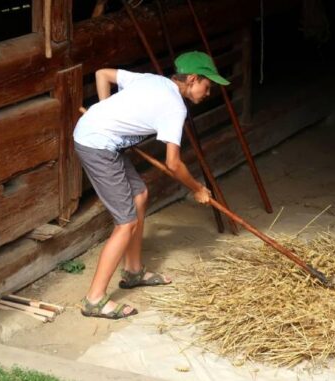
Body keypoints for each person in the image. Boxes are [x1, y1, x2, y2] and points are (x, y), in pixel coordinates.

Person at [73, 51, 230, 319]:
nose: (208, 92)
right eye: (208, 85)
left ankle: (133, 271)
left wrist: (107, 113)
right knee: (126, 223)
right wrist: (197, 188)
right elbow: (173, 163)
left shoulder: (152, 80)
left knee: (140, 195)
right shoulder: (175, 107)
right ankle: (94, 299)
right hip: (97, 145)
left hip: (103, 139)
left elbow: (103, 74)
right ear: (192, 79)